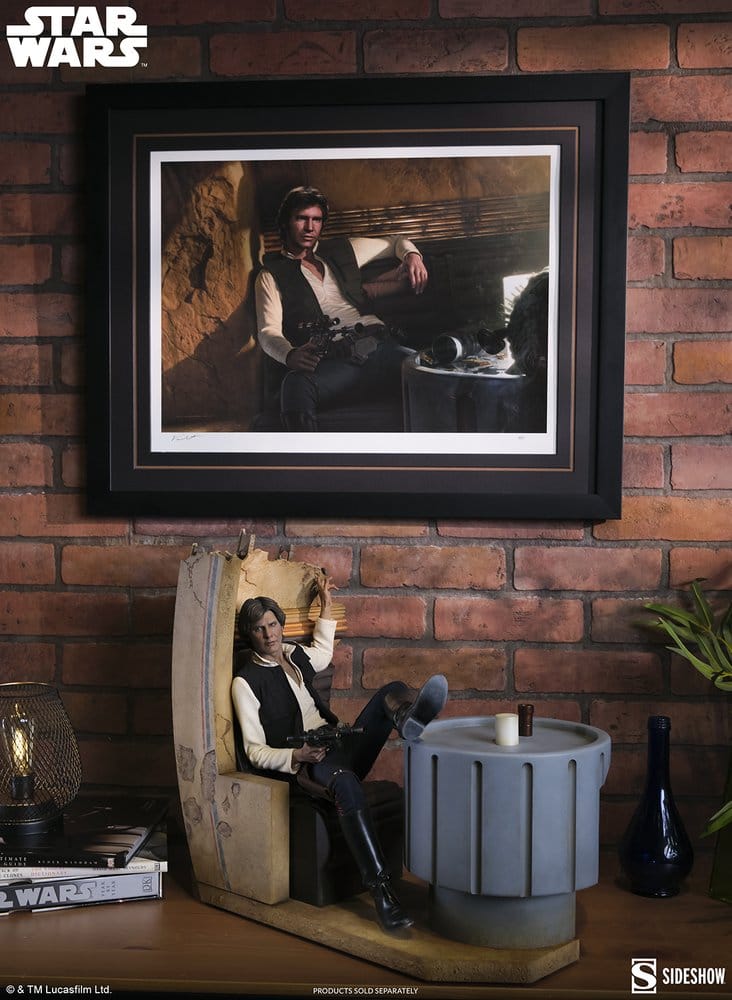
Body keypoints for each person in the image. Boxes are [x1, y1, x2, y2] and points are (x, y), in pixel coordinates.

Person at [232, 577, 448, 933]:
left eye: (272, 624)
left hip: (339, 744)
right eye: (259, 629)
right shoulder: (246, 682)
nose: (268, 634)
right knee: (345, 782)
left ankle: (406, 720)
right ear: (250, 634)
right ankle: (382, 893)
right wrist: (297, 755)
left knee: (392, 690)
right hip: (308, 765)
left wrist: (327, 605)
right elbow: (254, 751)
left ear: (281, 625)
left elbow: (323, 651)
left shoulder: (294, 654)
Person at [254, 185, 429, 431]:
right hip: (335, 362)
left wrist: (412, 256)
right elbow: (268, 331)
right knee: (296, 386)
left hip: (380, 347)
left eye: (316, 220)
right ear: (285, 222)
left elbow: (396, 242)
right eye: (301, 218)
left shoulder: (342, 250)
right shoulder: (271, 275)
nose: (310, 227)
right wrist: (289, 354)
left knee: (429, 371)